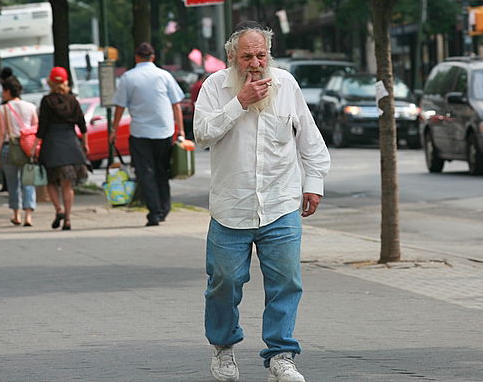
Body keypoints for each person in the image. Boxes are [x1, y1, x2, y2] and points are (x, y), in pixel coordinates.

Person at [193, 22, 330, 382]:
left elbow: (310, 140)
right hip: (231, 207)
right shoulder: (214, 87)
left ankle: (281, 355)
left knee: (286, 283)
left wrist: (313, 184)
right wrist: (239, 103)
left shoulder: (286, 85)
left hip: (280, 203)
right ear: (231, 57)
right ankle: (223, 347)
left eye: (261, 55)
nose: (255, 64)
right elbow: (201, 135)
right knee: (223, 282)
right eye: (247, 57)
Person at [110, 42, 185, 227]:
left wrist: (113, 130)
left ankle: (154, 212)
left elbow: (120, 107)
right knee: (162, 171)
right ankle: (164, 208)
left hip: (140, 132)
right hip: (164, 131)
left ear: (136, 57)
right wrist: (181, 130)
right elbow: (176, 105)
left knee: (145, 173)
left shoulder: (127, 77)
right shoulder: (164, 75)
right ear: (153, 57)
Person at [33, 67, 88, 231]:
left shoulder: (46, 101)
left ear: (50, 82)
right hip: (71, 144)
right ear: (66, 82)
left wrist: (34, 146)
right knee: (67, 185)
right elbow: (82, 125)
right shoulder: (73, 101)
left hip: (52, 145)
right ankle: (68, 219)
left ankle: (59, 209)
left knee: (51, 182)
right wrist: (85, 144)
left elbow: (42, 127)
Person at [0, 77, 39, 226]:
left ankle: (16, 214)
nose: (2, 94)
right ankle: (28, 216)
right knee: (28, 182)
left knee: (13, 183)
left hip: (9, 147)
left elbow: (1, 133)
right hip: (27, 148)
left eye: (3, 91)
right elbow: (36, 128)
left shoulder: (3, 109)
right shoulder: (31, 107)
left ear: (8, 91)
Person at [0, 67, 16, 194]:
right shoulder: (15, 85)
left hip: (8, 138)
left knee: (7, 166)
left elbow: (1, 131)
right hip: (21, 139)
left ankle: (6, 185)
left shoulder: (5, 104)